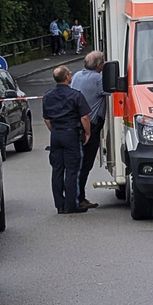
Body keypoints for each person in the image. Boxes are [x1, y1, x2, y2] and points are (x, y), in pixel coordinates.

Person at [43, 66, 91, 214]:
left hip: (56, 135)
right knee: (72, 170)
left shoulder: (48, 96)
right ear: (67, 78)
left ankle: (60, 204)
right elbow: (84, 117)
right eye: (70, 74)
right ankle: (72, 204)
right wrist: (87, 133)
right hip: (71, 134)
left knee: (57, 170)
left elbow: (46, 119)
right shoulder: (75, 95)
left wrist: (55, 131)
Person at [71, 52, 108, 209]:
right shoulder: (98, 79)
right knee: (85, 164)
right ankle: (79, 198)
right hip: (90, 127)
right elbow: (112, 91)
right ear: (99, 65)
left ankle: (74, 196)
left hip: (76, 125)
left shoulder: (77, 76)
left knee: (77, 163)